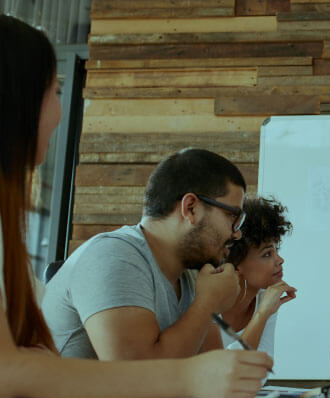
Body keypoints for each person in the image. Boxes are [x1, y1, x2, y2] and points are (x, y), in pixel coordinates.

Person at [0, 14, 270, 398]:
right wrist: (200, 336)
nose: (60, 113)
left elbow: (209, 367)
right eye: (55, 91)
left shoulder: (193, 277)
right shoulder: (116, 254)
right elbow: (14, 371)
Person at [42, 146, 249, 360]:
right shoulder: (114, 256)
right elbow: (135, 376)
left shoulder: (194, 276)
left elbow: (211, 373)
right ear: (191, 208)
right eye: (232, 216)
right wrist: (208, 304)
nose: (237, 233)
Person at [219, 196, 297, 358]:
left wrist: (265, 311)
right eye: (267, 254)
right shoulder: (210, 298)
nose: (280, 260)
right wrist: (262, 315)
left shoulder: (265, 299)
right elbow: (222, 371)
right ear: (236, 263)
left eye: (276, 249)